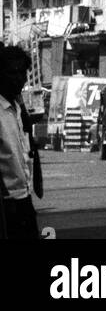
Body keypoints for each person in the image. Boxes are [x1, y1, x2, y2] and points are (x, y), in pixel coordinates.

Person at [0, 45, 42, 240]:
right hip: (6, 202)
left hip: (23, 197)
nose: (18, 78)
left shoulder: (16, 109)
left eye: (21, 72)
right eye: (12, 72)